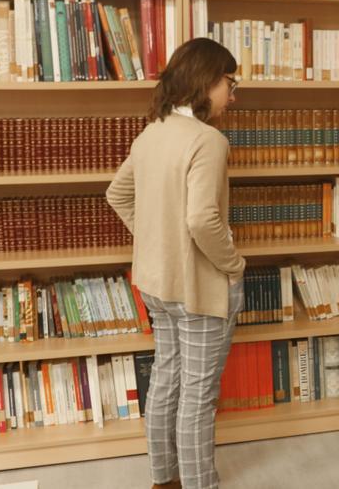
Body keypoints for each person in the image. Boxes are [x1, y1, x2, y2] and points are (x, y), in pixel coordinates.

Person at [106, 38, 247, 489]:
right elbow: (203, 220)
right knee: (198, 395)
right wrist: (234, 263)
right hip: (199, 287)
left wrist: (154, 239)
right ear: (207, 80)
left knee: (167, 378)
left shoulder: (152, 131)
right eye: (230, 82)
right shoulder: (208, 140)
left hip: (155, 282)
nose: (233, 93)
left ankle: (163, 481)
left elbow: (117, 194)